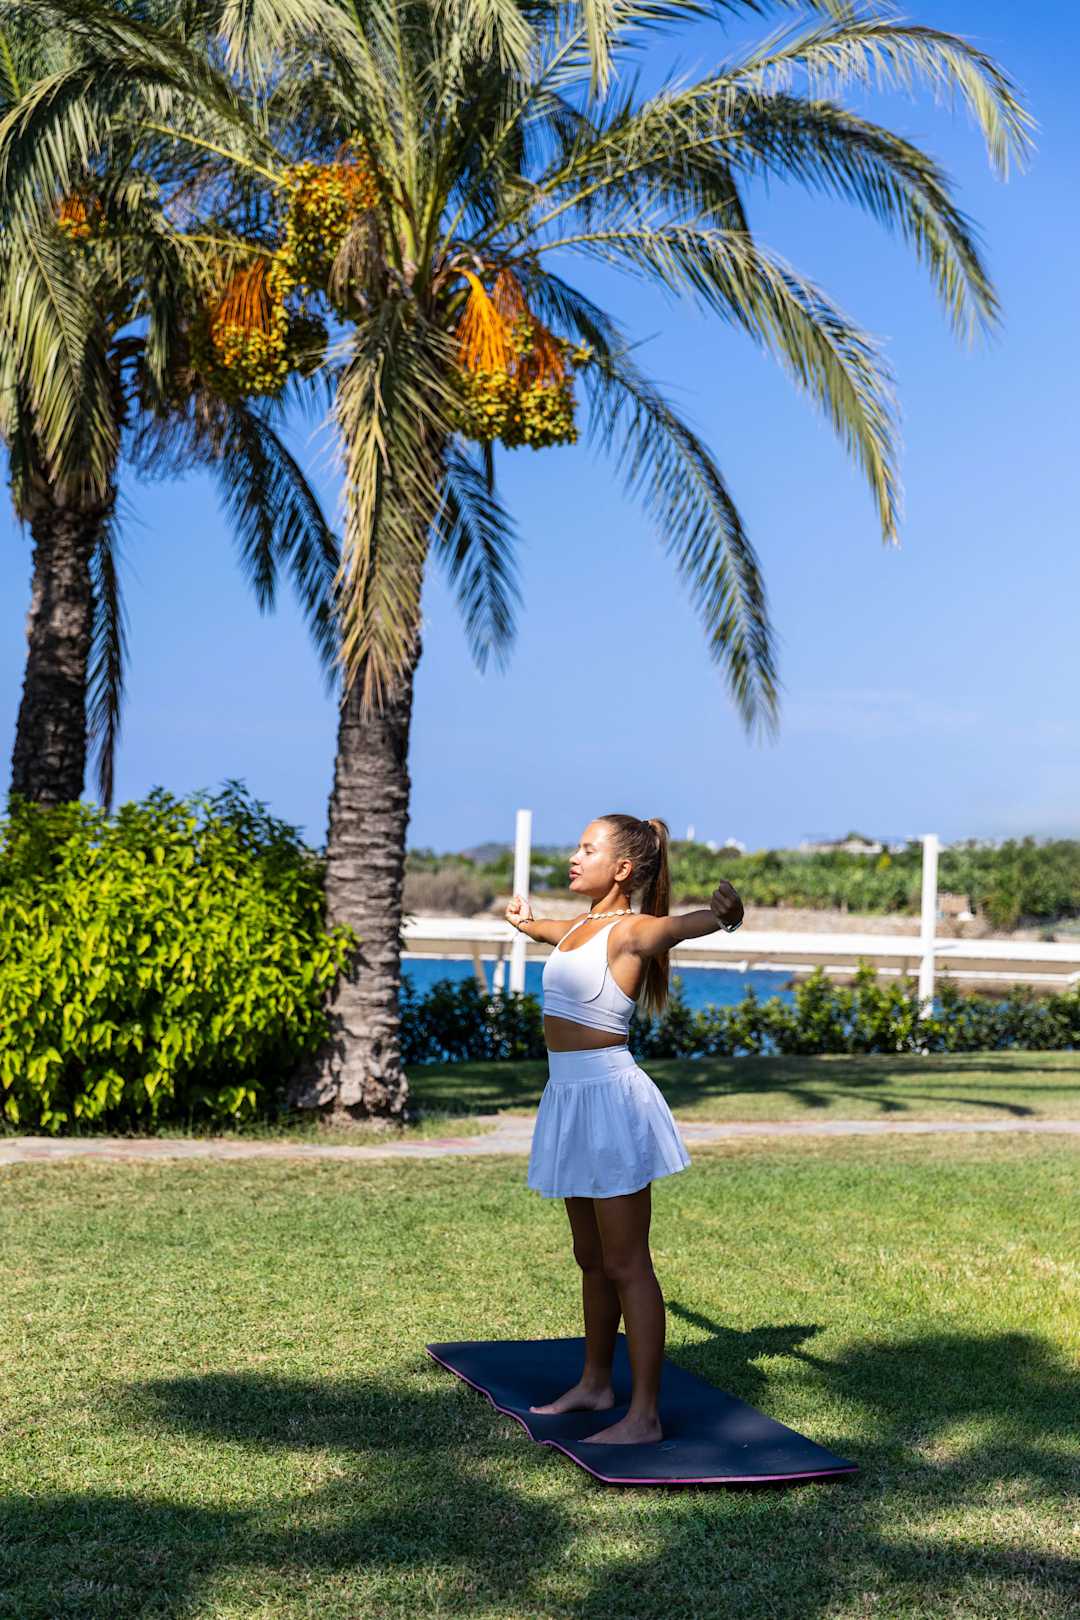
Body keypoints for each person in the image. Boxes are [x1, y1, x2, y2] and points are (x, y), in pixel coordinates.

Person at [504, 814, 744, 1445]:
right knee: (590, 1258)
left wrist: (724, 917)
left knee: (626, 1261)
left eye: (588, 849)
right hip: (568, 1097)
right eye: (577, 847)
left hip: (610, 1101)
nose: (574, 857)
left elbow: (679, 927)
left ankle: (644, 1416)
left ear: (623, 868)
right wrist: (525, 923)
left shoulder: (633, 931)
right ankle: (594, 1383)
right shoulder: (577, 928)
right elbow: (549, 932)